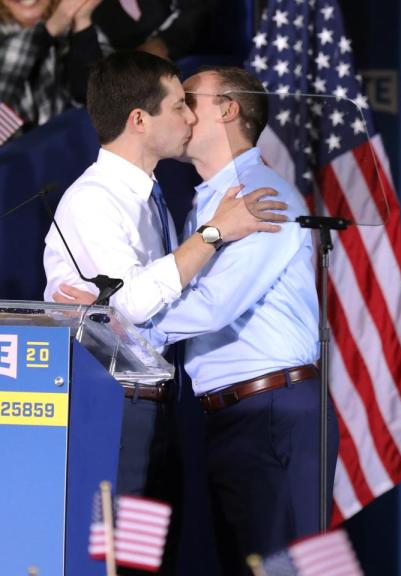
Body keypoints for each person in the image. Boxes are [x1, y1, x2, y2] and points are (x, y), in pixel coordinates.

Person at [89, 65, 338, 571]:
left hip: (273, 410)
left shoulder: (260, 197)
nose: (179, 114)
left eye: (188, 100)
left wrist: (117, 320)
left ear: (228, 110)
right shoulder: (206, 203)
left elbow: (214, 304)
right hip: (233, 415)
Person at [43, 51, 286, 504]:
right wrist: (213, 233)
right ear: (139, 119)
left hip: (154, 406)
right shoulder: (93, 200)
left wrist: (117, 319)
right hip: (111, 405)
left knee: (154, 544)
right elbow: (133, 303)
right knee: (115, 543)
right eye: (178, 106)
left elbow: (146, 305)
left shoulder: (148, 196)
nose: (190, 118)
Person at [0, 0, 102, 127]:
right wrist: (50, 29)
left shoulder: (65, 12)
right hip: (14, 145)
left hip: (74, 135)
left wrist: (82, 23)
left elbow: (97, 93)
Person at [92, 0, 214, 61]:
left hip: (195, 49)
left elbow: (197, 8)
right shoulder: (94, 10)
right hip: (139, 68)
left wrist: (165, 42)